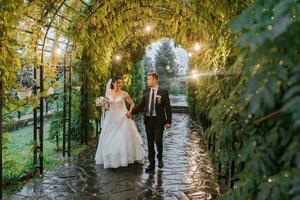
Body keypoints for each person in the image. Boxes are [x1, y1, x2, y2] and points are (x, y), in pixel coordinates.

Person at [95, 76, 144, 168]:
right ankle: (112, 158)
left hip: (122, 117)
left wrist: (129, 112)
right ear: (113, 83)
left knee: (122, 137)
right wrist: (103, 105)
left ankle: (124, 158)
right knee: (110, 138)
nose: (120, 84)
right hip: (111, 118)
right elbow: (107, 107)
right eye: (118, 82)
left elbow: (132, 104)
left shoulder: (124, 93)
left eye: (121, 82)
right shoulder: (108, 93)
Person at [132, 72, 172, 173]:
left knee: (158, 140)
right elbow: (141, 106)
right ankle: (152, 164)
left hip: (159, 121)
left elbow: (168, 107)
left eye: (149, 79)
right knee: (150, 143)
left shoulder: (163, 92)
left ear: (154, 80)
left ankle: (160, 157)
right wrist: (129, 113)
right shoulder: (146, 92)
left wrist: (168, 121)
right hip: (148, 121)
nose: (147, 81)